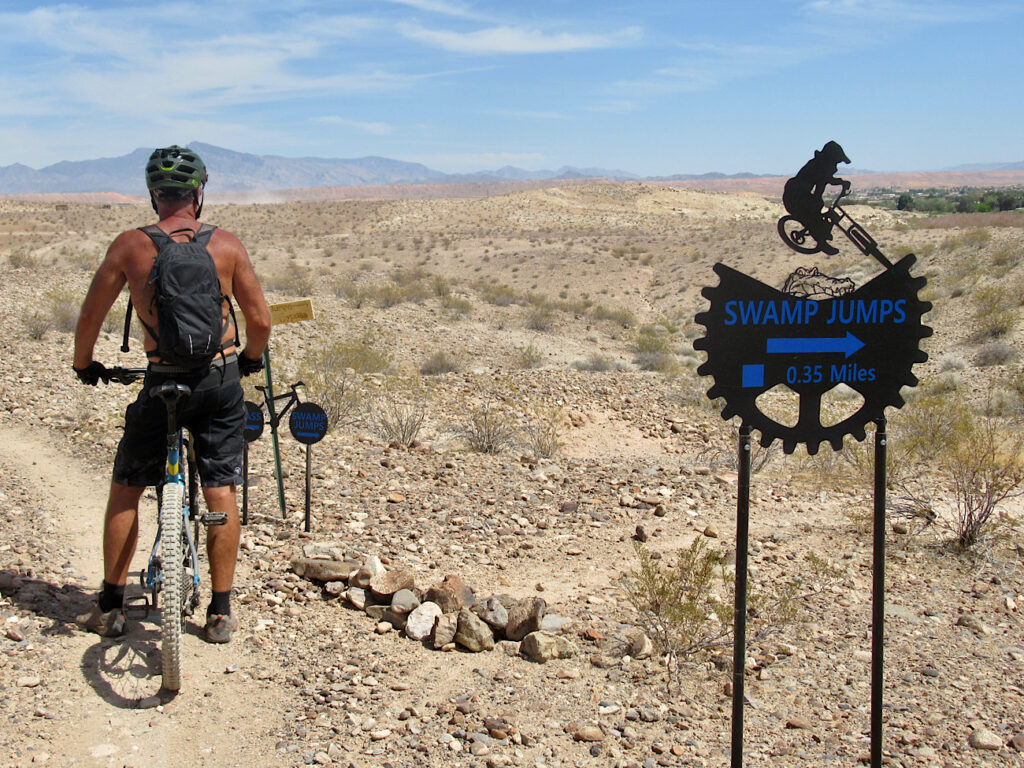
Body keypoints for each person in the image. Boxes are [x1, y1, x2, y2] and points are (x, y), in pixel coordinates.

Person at [72, 145, 271, 643]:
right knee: (221, 489)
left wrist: (85, 364)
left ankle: (111, 605)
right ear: (199, 192)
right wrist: (247, 360)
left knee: (128, 490)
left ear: (153, 195)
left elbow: (90, 318)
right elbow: (261, 321)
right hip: (218, 384)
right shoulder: (225, 245)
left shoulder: (129, 247)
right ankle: (221, 612)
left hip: (162, 382)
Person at [782, 140, 851, 256]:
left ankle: (821, 232)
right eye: (836, 161)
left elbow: (820, 188)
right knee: (813, 216)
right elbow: (825, 179)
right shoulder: (817, 166)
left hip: (800, 196)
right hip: (795, 198)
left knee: (817, 205)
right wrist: (841, 183)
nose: (836, 165)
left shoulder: (821, 166)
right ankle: (821, 242)